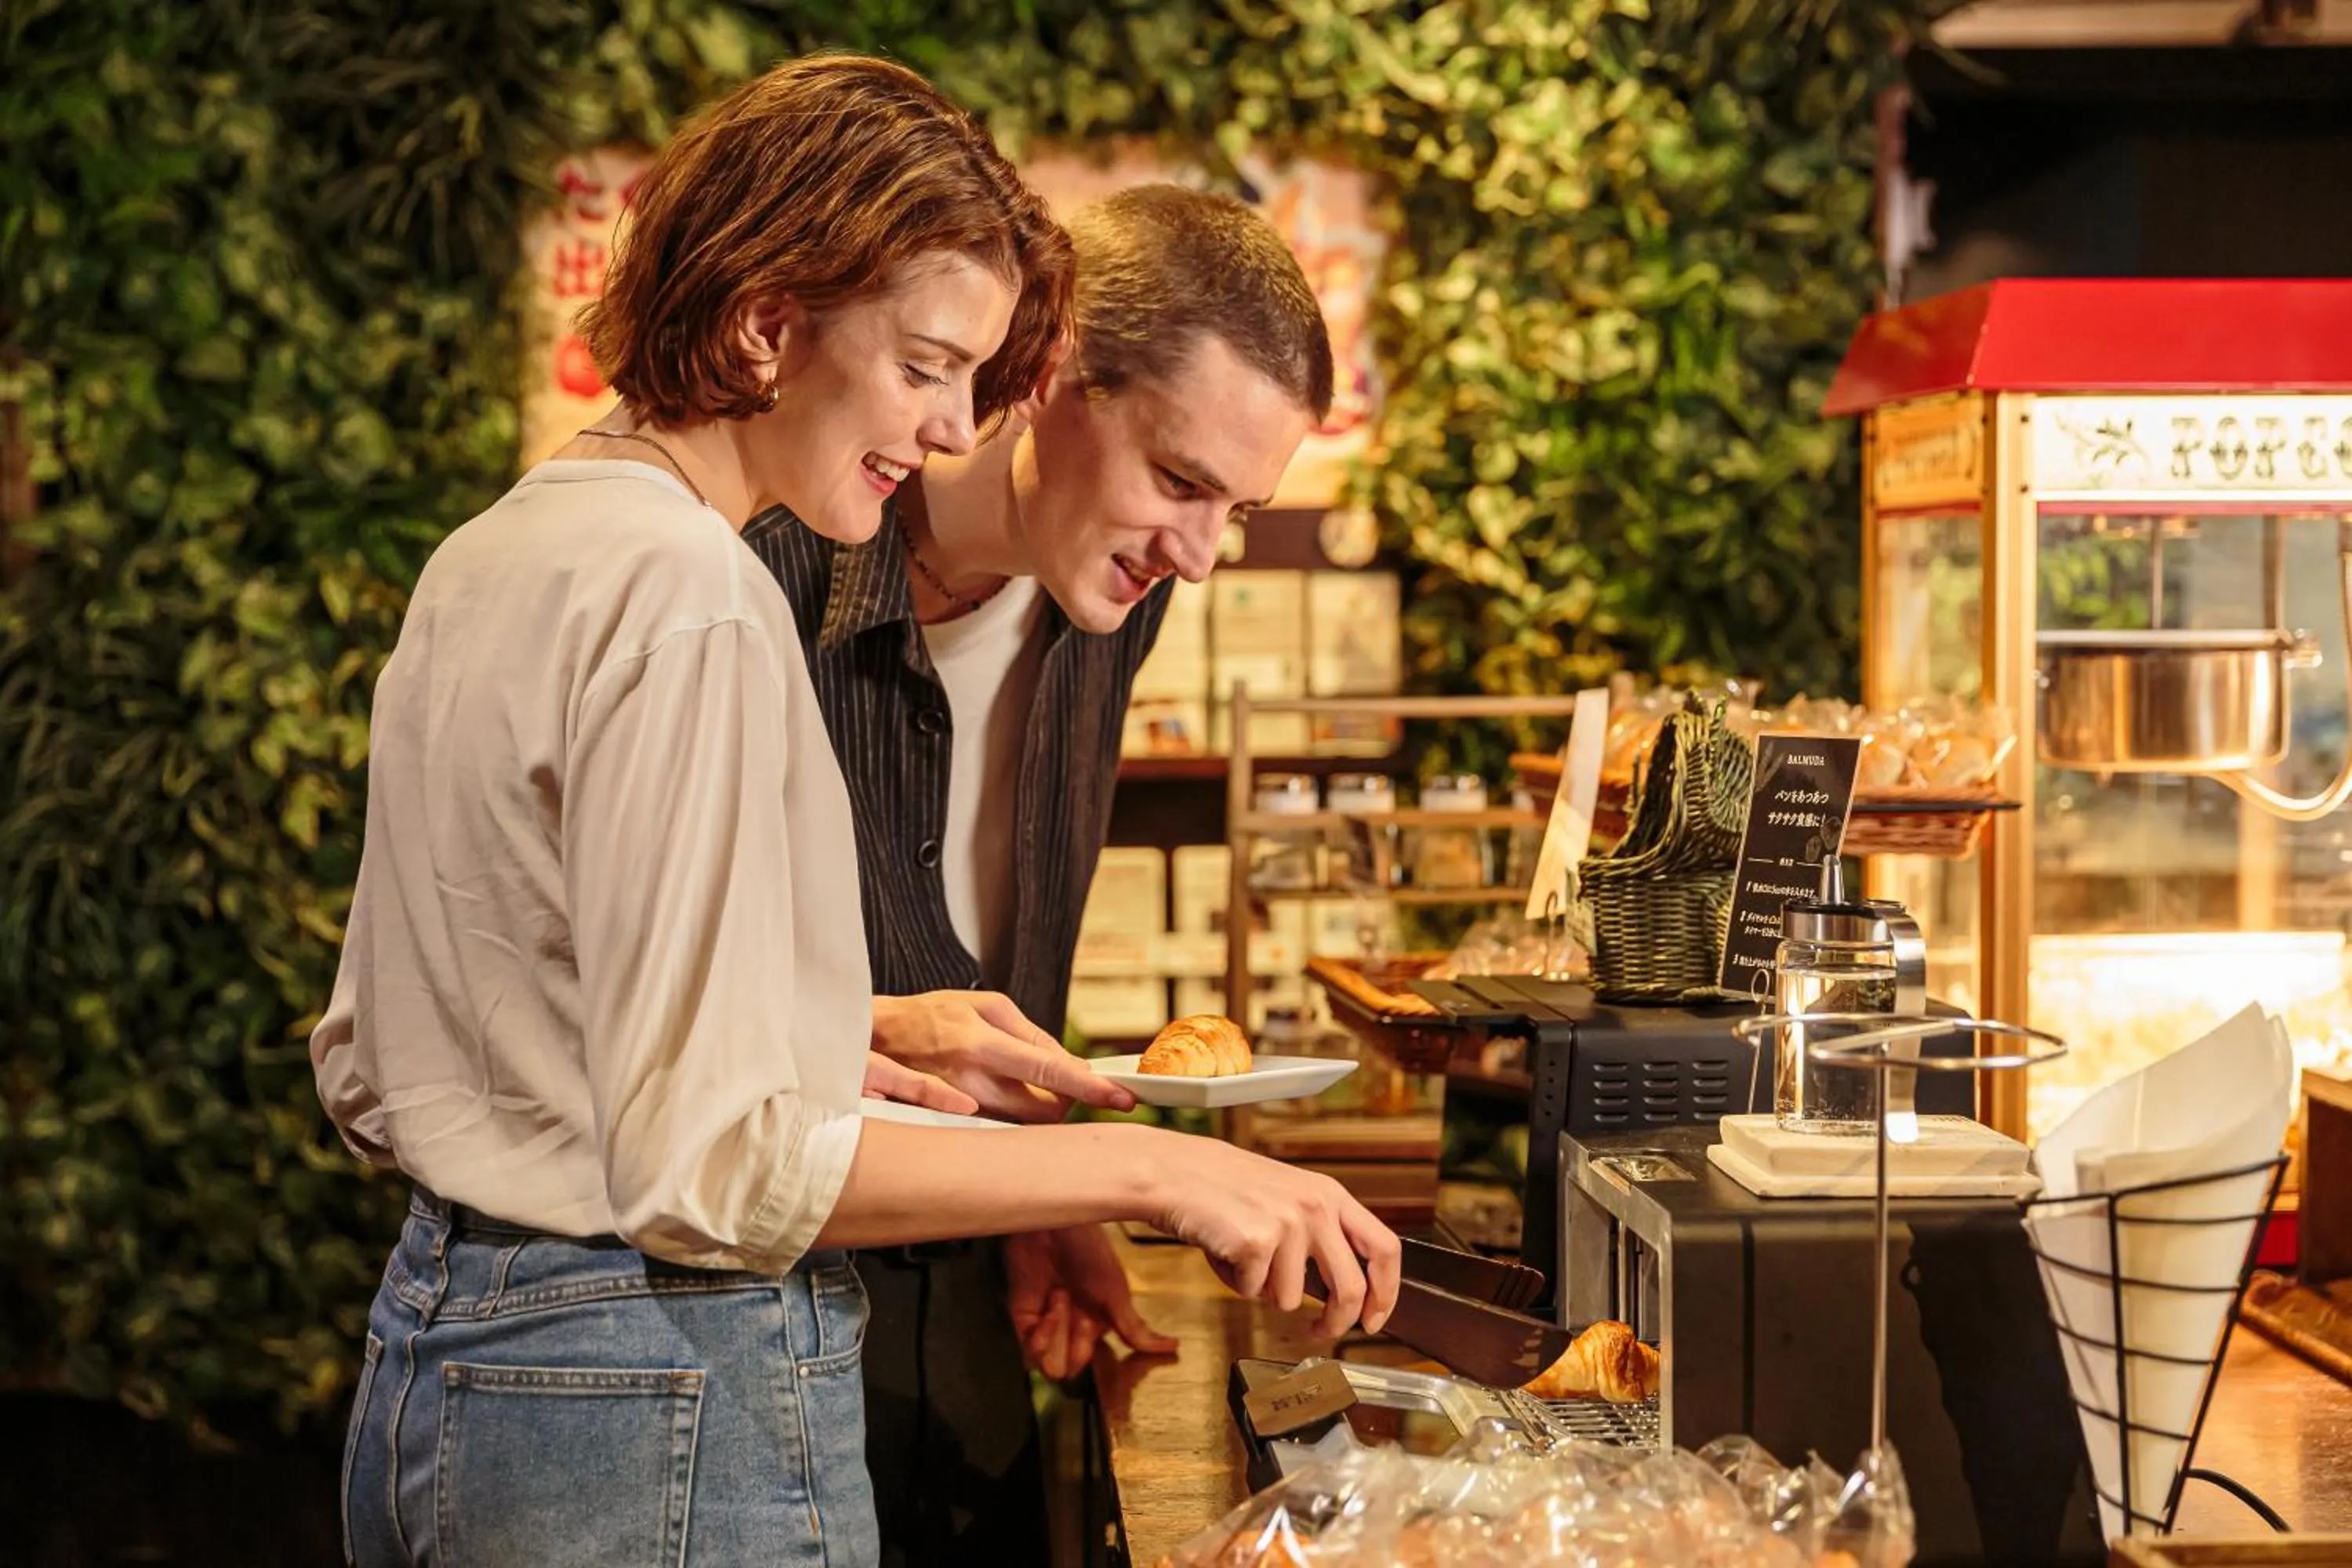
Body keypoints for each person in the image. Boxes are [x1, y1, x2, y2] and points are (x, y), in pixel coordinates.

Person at [311, 60, 1398, 1568]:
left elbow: (406, 1044)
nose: (957, 430)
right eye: (928, 366)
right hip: (656, 1381)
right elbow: (718, 1170)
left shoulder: (502, 547)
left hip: (455, 1347)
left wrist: (864, 1029)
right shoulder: (702, 592)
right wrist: (1169, 1166)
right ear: (768, 325)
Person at [745, 182, 1337, 1565]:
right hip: (742, 1317)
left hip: (964, 1289)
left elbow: (984, 969)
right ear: (1048, 370)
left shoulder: (1121, 590)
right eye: (1181, 482)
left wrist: (1045, 1185)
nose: (1198, 551)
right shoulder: (757, 569)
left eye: (1237, 510)